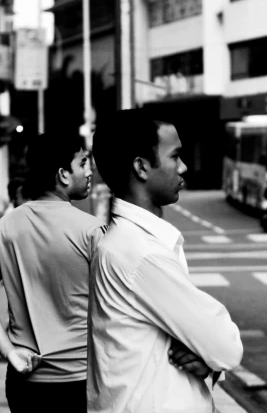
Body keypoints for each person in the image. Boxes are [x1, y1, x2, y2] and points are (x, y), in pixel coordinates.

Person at [89, 109, 243, 413]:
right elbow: (226, 346)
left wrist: (207, 359)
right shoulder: (143, 253)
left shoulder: (130, 242)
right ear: (142, 167)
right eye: (175, 156)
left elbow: (211, 350)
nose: (183, 167)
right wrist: (211, 354)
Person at [0, 133, 107, 413]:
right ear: (63, 174)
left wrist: (8, 351)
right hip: (79, 379)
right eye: (83, 163)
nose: (90, 171)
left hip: (24, 378)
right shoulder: (92, 231)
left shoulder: (6, 226)